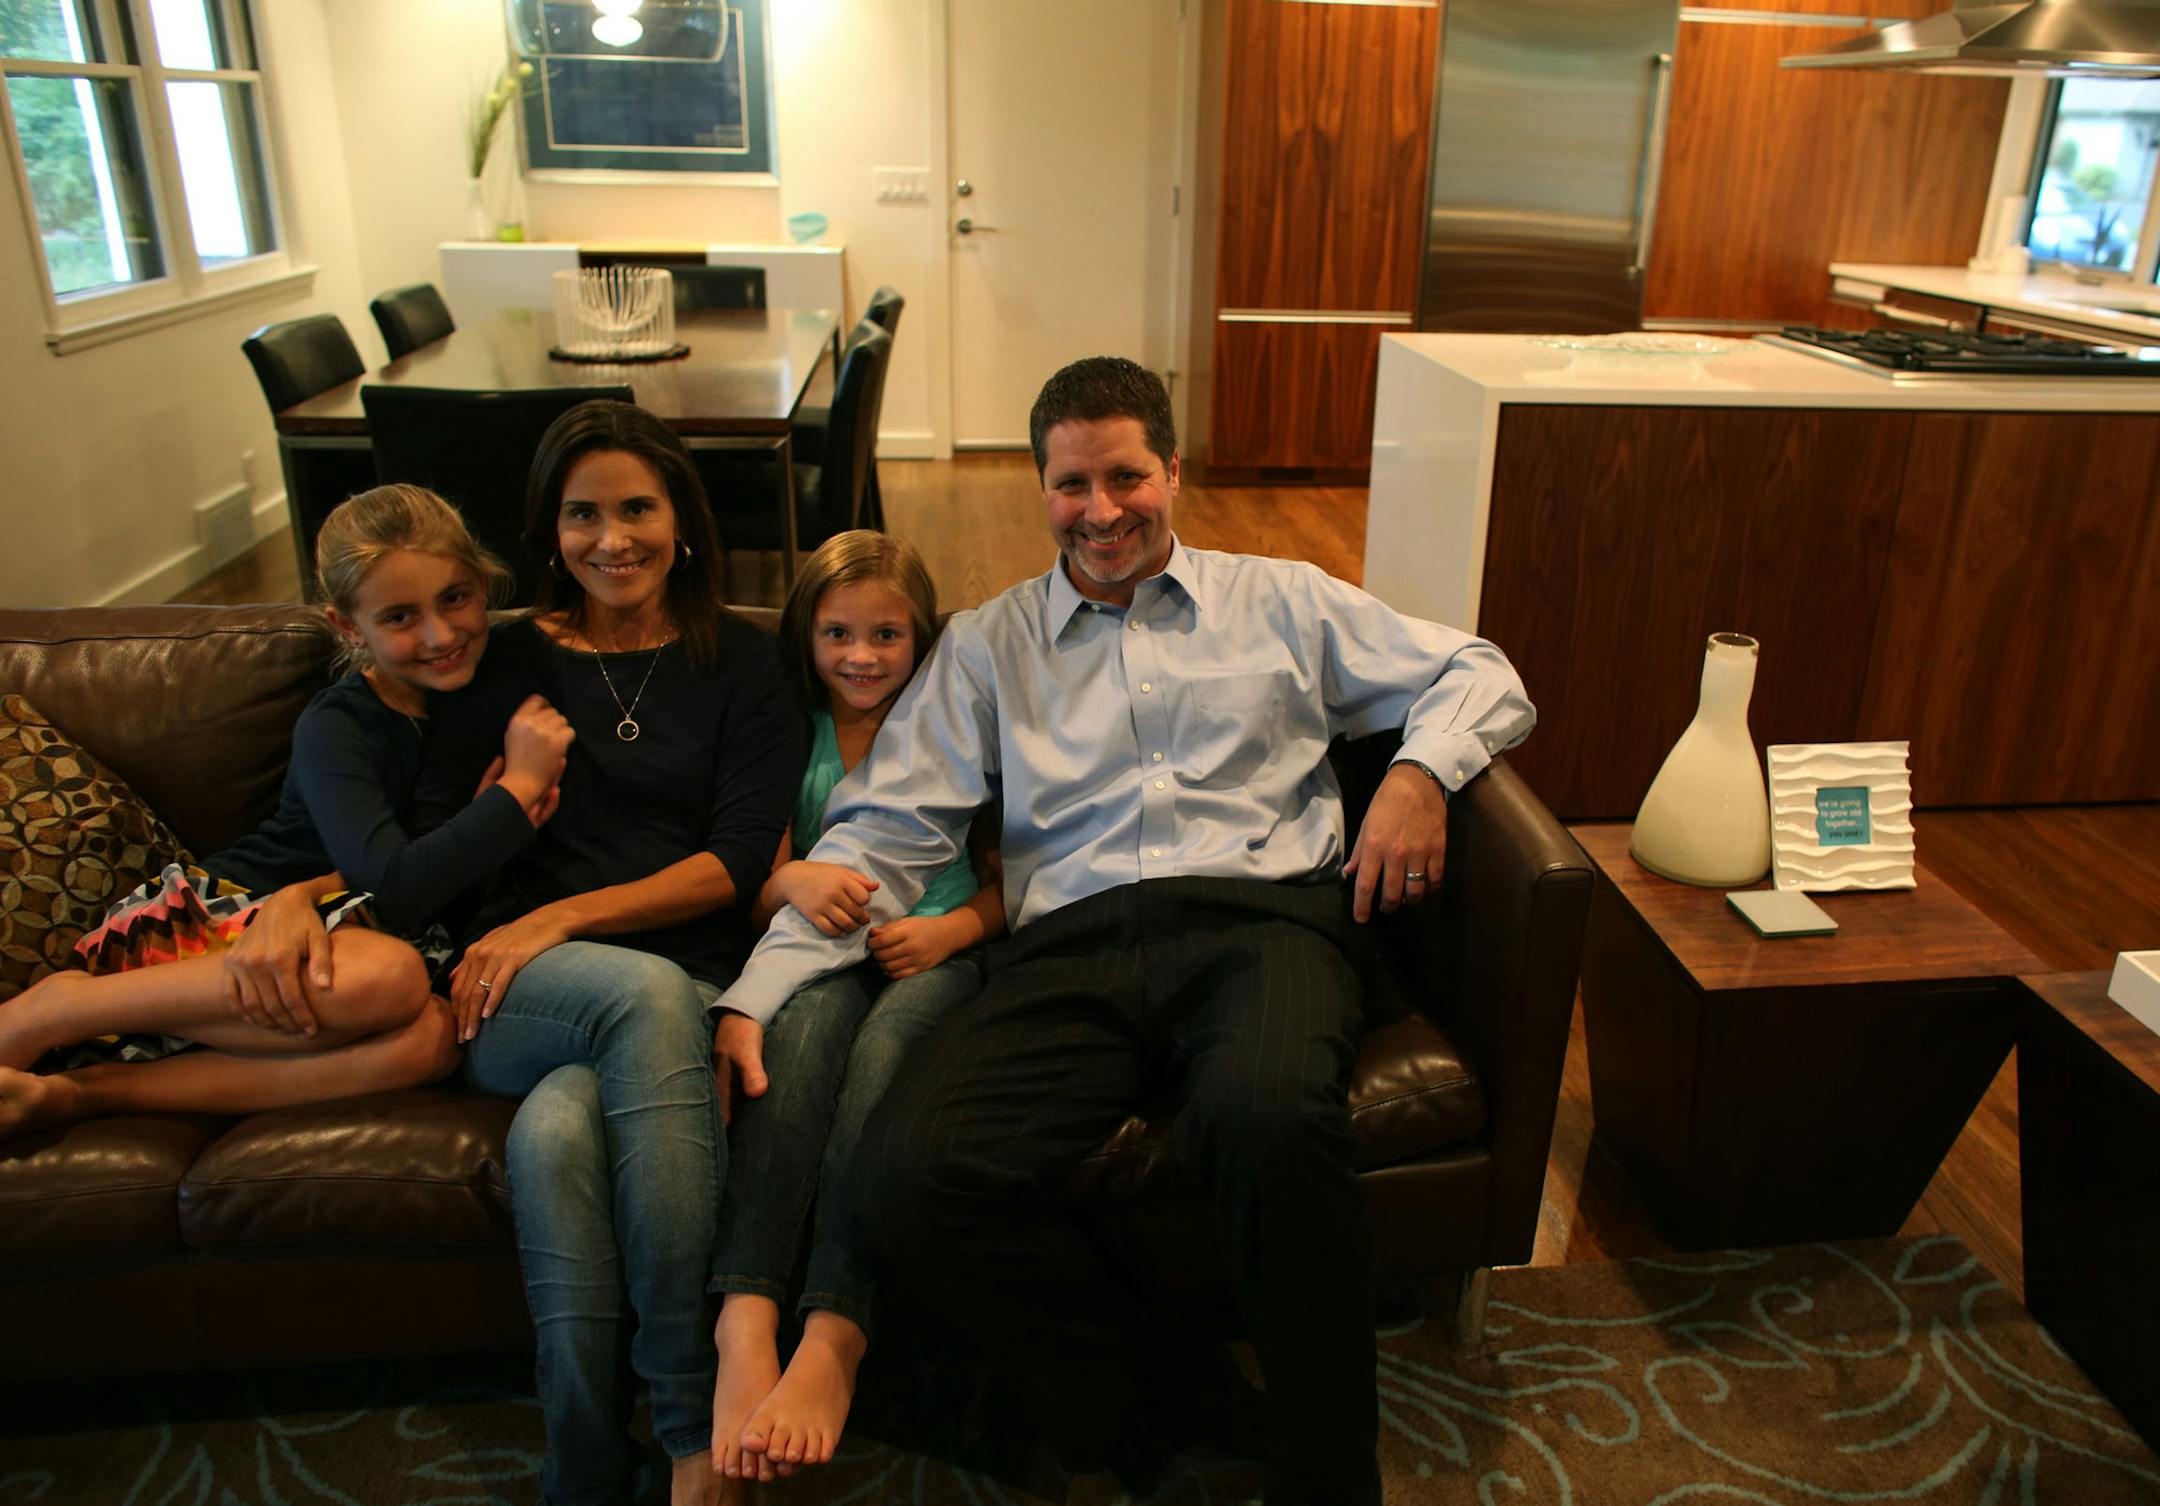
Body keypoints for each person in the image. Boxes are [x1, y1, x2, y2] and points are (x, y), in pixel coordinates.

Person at [709, 357, 1536, 1504]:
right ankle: (1169, 1414)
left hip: (1266, 926)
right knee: (909, 1174)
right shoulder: (991, 644)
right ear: (1039, 487)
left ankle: (1325, 1473)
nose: (1099, 511)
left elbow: (1478, 670)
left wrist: (1418, 774)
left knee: (1266, 1117)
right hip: (1074, 947)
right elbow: (888, 832)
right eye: (1070, 484)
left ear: (1174, 471)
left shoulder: (1283, 598)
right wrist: (756, 990)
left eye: (1125, 477)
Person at [408, 399, 805, 1506]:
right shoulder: (502, 662)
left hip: (672, 970)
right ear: (549, 529)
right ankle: (691, 1429)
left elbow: (732, 865)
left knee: (556, 1138)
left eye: (637, 508)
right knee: (643, 1000)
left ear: (682, 520)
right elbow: (426, 840)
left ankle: (582, 1461)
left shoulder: (750, 660)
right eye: (582, 514)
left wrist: (564, 915)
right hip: (521, 993)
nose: (611, 538)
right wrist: (528, 922)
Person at [0, 484, 568, 1139]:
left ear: (483, 585)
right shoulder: (340, 724)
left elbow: (404, 869)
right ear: (348, 628)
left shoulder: (473, 697)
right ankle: (58, 1005)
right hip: (217, 918)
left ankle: (82, 1094)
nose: (440, 634)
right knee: (390, 980)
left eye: (455, 599)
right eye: (400, 617)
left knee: (432, 1042)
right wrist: (516, 791)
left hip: (336, 927)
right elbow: (398, 883)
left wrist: (321, 891)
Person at [706, 531, 1006, 1483]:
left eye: (888, 634)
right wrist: (790, 878)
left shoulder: (957, 724)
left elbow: (1017, 882)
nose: (862, 656)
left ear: (923, 639)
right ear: (805, 636)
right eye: (837, 632)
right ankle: (746, 1312)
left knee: (884, 1074)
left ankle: (835, 1327)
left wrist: (953, 932)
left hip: (933, 956)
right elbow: (756, 878)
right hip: (817, 956)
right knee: (792, 1069)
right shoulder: (791, 728)